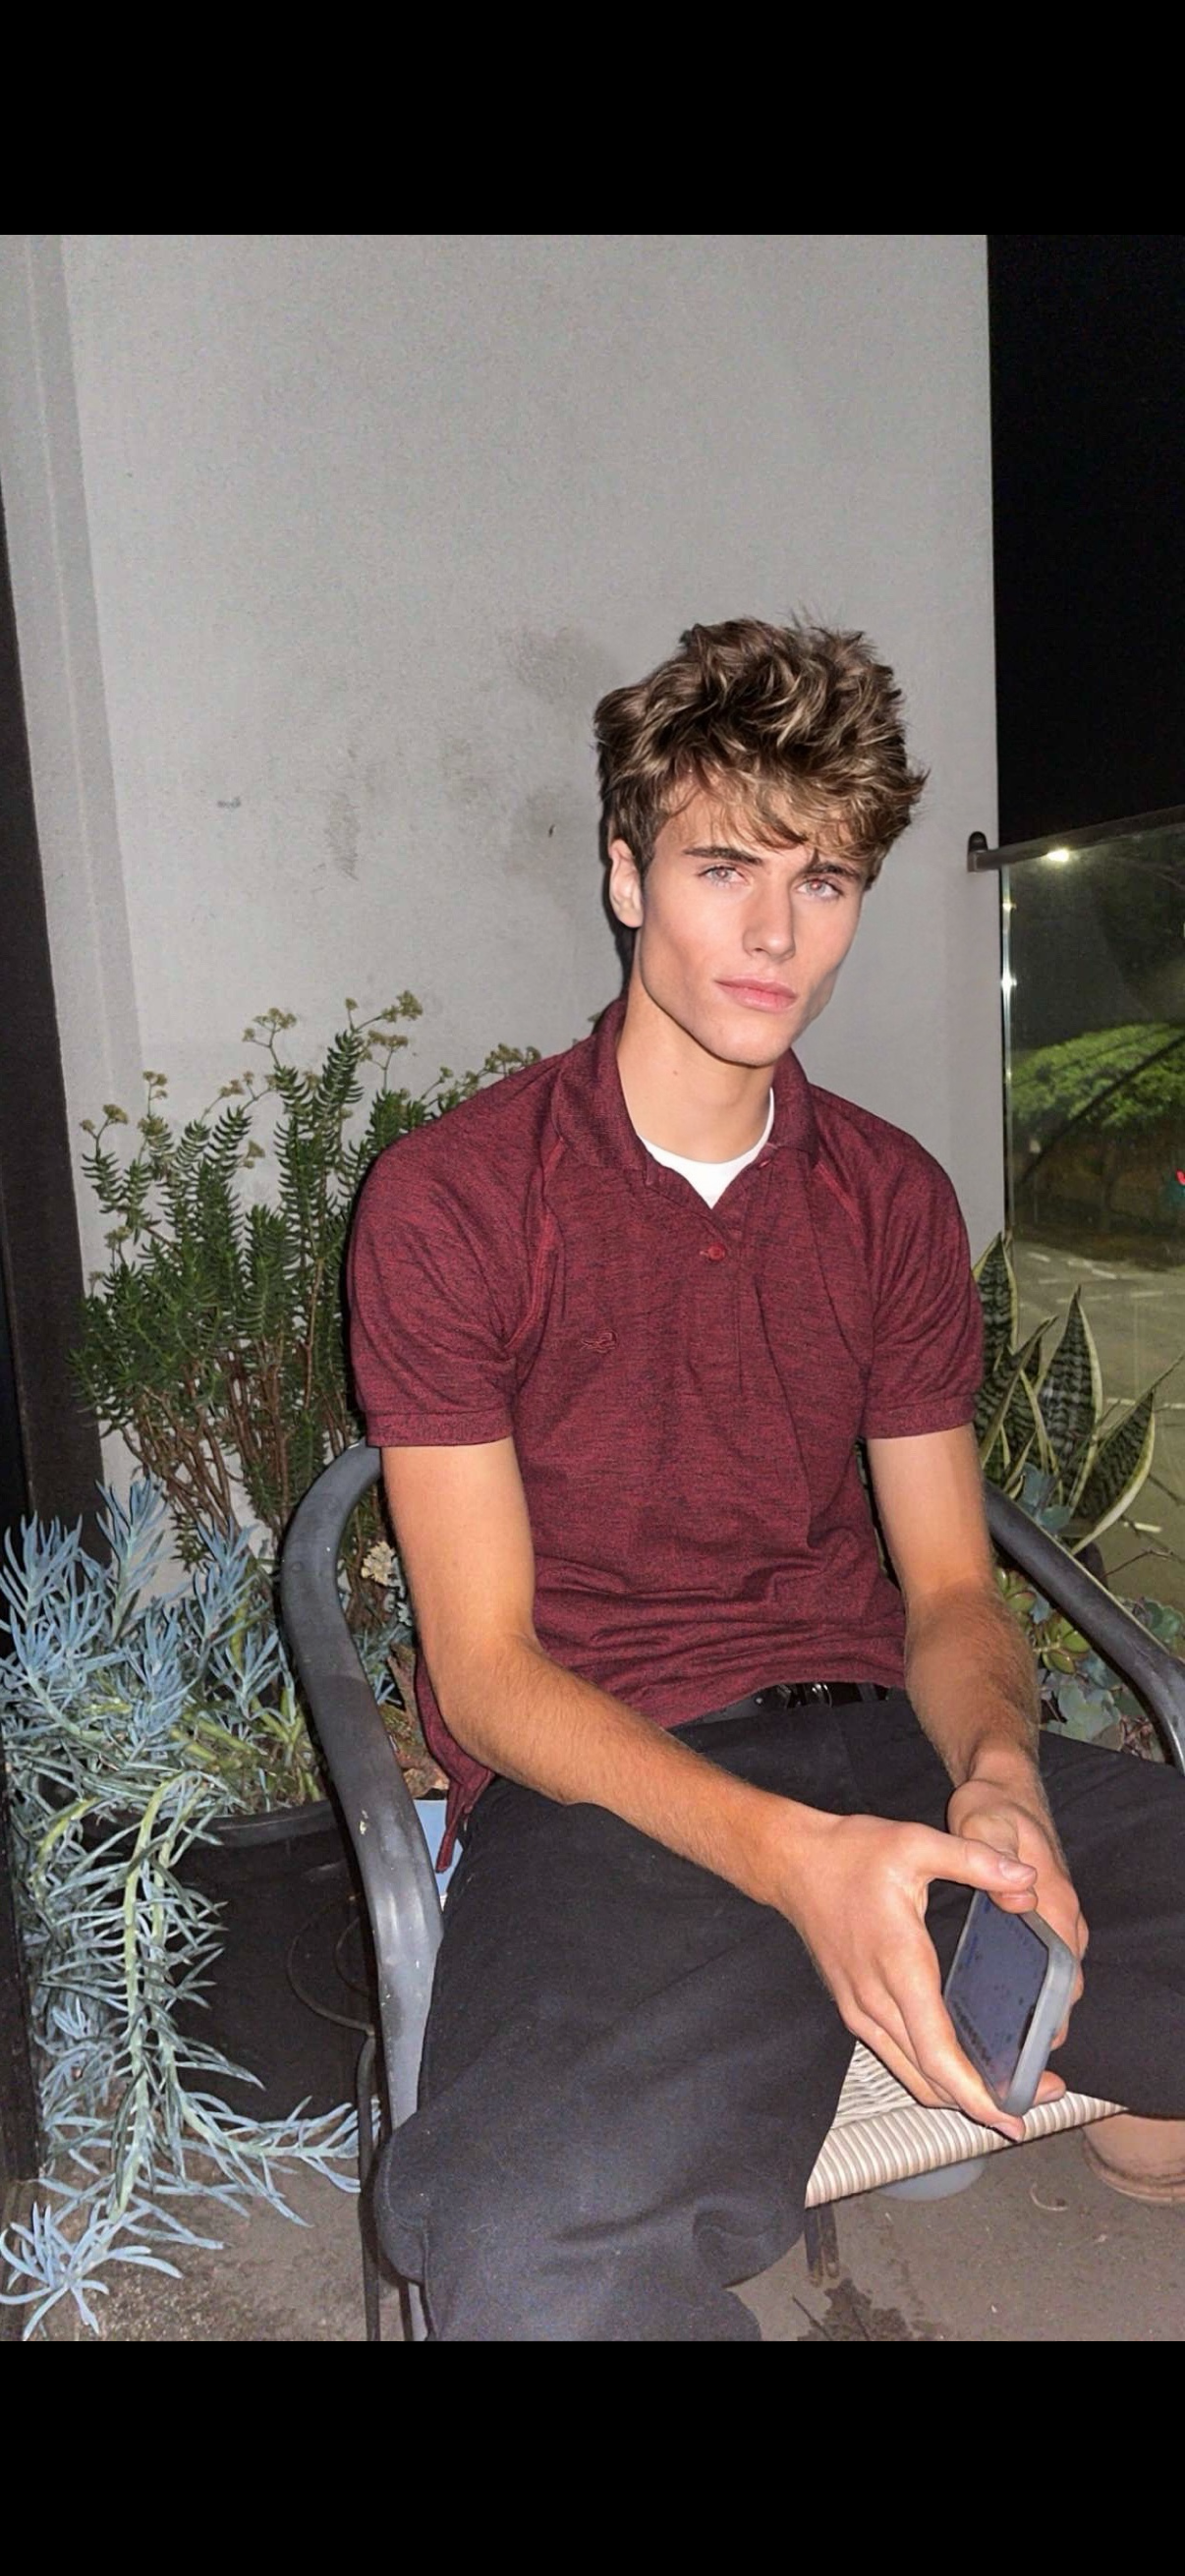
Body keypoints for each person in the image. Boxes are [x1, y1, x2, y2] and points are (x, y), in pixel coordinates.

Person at [347, 616, 1185, 2341]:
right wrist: (797, 1862)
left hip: (884, 1734)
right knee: (528, 2248)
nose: (776, 933)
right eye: (722, 866)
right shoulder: (455, 1200)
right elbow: (486, 1673)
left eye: (825, 879)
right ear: (623, 872)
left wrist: (998, 1776)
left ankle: (1116, 2094)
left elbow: (945, 1588)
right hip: (615, 1791)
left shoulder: (885, 1194)